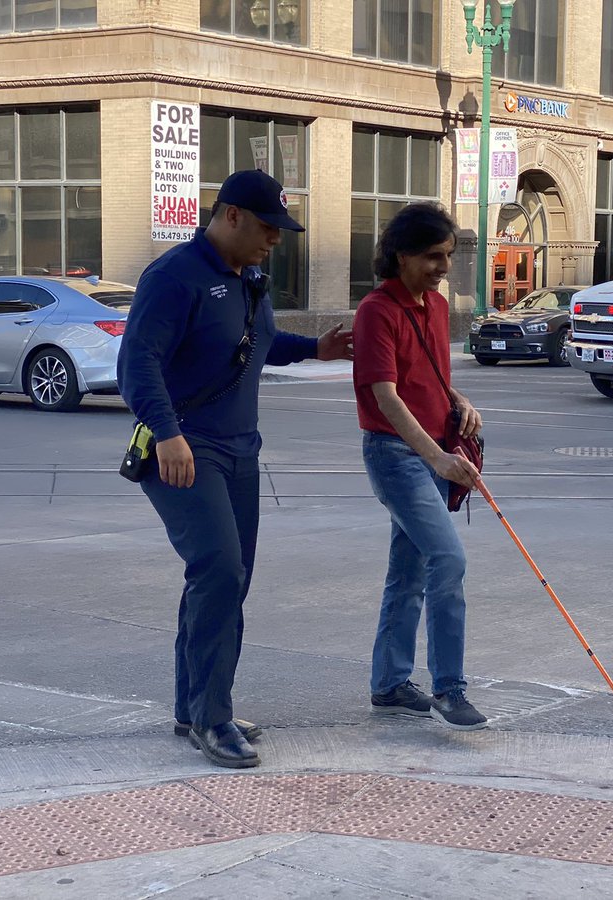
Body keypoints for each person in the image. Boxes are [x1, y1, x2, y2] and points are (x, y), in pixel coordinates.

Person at [117, 169, 352, 769]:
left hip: (242, 449)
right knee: (218, 570)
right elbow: (137, 361)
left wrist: (315, 350)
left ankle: (192, 704)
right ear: (230, 216)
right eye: (268, 227)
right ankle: (212, 719)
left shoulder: (248, 278)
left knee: (227, 577)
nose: (276, 239)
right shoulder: (175, 276)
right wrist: (167, 434)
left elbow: (258, 341)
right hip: (187, 449)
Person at [352, 202, 487, 731]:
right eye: (433, 256)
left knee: (407, 573)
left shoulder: (432, 306)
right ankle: (449, 689)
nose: (443, 267)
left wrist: (460, 399)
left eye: (447, 256)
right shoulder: (376, 311)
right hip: (397, 455)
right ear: (401, 255)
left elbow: (427, 377)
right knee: (448, 561)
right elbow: (385, 396)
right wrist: (438, 458)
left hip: (436, 451)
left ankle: (388, 684)